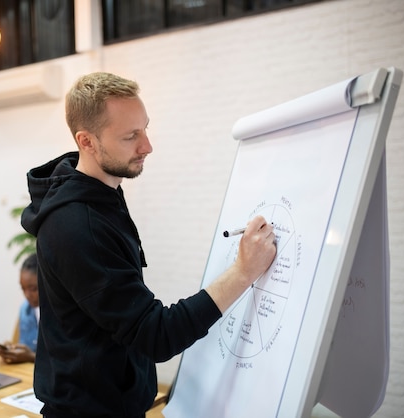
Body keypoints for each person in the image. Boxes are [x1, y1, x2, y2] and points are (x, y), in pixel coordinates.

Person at [20, 72, 277, 418]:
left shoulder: (102, 196)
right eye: (131, 136)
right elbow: (154, 334)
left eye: (145, 129)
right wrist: (243, 272)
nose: (147, 146)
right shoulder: (78, 226)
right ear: (87, 141)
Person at [0, 252, 39, 364]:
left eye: (33, 289)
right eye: (23, 288)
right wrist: (12, 351)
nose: (27, 294)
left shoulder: (59, 313)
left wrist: (31, 357)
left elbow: (64, 361)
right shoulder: (25, 309)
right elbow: (25, 346)